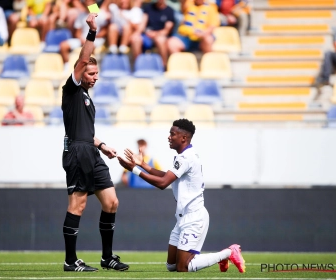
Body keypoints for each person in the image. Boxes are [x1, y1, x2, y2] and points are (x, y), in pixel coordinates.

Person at [118, 119, 245, 273]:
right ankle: (224, 256)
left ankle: (228, 253)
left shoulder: (186, 157)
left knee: (183, 267)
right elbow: (166, 175)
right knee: (171, 266)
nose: (169, 137)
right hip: (183, 218)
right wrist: (142, 165)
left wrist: (134, 170)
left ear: (184, 138)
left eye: (173, 134)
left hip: (194, 218)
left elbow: (163, 183)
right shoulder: (183, 156)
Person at [61, 12, 129, 272]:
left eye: (97, 73)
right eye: (91, 73)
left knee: (111, 202)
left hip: (90, 150)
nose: (95, 77)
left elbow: (87, 131)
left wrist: (102, 145)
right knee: (78, 205)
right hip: (77, 153)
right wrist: (92, 31)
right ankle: (70, 261)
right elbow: (81, 60)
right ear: (81, 73)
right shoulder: (72, 88)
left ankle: (107, 257)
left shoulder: (87, 98)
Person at [59, 1, 109, 68]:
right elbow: (78, 33)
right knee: (63, 46)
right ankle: (67, 67)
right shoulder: (81, 15)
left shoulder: (101, 14)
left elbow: (105, 31)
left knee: (91, 46)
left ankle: (93, 67)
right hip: (83, 39)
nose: (85, 2)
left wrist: (90, 38)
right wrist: (83, 39)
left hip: (97, 40)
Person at [130, 0, 175, 67]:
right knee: (136, 39)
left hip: (160, 36)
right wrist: (137, 33)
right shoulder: (148, 8)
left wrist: (155, 34)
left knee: (160, 40)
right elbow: (143, 23)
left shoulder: (170, 11)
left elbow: (166, 30)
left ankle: (164, 66)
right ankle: (138, 66)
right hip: (147, 35)